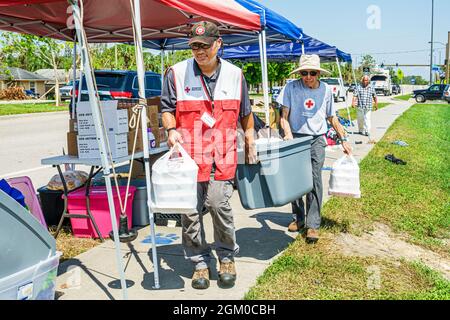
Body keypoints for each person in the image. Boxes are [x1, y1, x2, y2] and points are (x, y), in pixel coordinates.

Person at [160, 21, 256, 290]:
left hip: (222, 155)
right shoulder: (176, 73)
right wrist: (170, 129)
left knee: (218, 205)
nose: (199, 51)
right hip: (188, 157)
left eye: (204, 45)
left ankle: (226, 257)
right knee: (190, 213)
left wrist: (250, 139)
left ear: (218, 44)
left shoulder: (236, 75)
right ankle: (199, 263)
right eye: (194, 46)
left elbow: (246, 113)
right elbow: (167, 108)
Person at [276, 54, 352, 244]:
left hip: (317, 139)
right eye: (304, 73)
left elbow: (331, 117)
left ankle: (313, 224)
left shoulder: (325, 90)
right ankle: (299, 218)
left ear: (318, 73)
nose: (308, 77)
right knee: (295, 181)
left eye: (312, 73)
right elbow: (283, 116)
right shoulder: (291, 88)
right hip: (296, 137)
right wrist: (288, 134)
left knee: (314, 179)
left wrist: (343, 139)